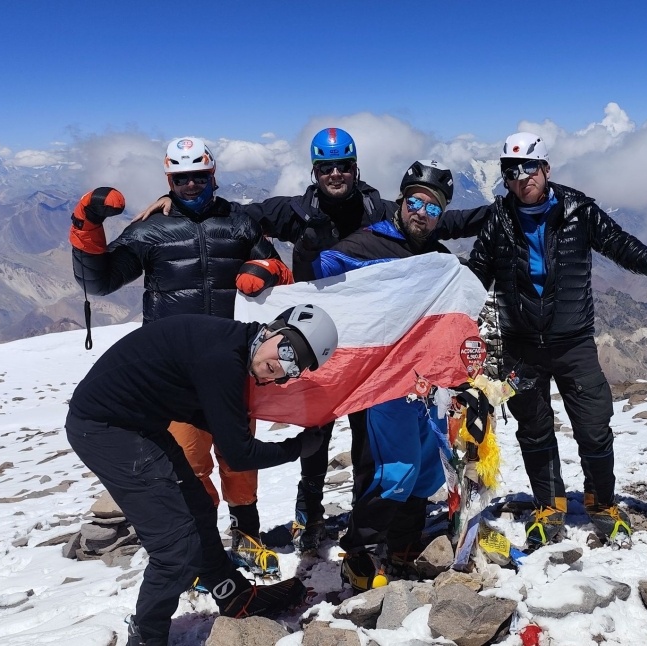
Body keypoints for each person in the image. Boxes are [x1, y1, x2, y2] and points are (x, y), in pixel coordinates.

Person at [136, 129, 487, 554]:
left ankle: (364, 518)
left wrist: (508, 210)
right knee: (314, 429)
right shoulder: (296, 211)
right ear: (315, 170)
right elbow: (236, 219)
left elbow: (445, 218)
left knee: (367, 440)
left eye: (343, 166)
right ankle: (310, 514)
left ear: (356, 168)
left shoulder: (379, 207)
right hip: (309, 339)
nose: (335, 174)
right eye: (326, 167)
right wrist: (179, 204)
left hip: (368, 344)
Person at [466, 132, 647, 546]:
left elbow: (622, 248)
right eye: (511, 170)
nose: (521, 177)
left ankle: (601, 502)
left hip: (573, 341)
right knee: (533, 428)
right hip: (521, 346)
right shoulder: (499, 219)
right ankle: (549, 505)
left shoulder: (579, 210)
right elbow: (476, 276)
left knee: (595, 425)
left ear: (545, 168)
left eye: (530, 167)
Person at [69, 137, 293, 576]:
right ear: (169, 180)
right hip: (173, 379)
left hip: (234, 366)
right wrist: (86, 224)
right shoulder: (150, 229)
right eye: (181, 178)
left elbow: (283, 279)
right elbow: (100, 282)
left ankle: (247, 539)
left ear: (213, 175)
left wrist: (269, 271)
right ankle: (204, 550)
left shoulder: (240, 223)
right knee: (189, 465)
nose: (191, 185)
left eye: (199, 176)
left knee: (238, 459)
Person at [66, 305, 338, 646]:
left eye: (293, 367)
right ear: (273, 329)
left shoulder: (234, 348)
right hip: (106, 428)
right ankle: (147, 638)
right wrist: (298, 447)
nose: (282, 366)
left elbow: (206, 415)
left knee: (198, 508)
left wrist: (235, 429)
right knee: (176, 547)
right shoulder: (223, 358)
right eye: (287, 351)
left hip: (137, 424)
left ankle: (233, 594)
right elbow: (239, 455)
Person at [295, 160, 458, 590]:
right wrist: (299, 257)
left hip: (426, 385)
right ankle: (360, 553)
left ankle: (403, 547)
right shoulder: (365, 245)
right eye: (414, 202)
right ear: (401, 202)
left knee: (426, 468)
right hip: (382, 382)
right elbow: (315, 279)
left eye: (432, 208)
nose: (421, 212)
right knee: (395, 467)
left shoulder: (440, 263)